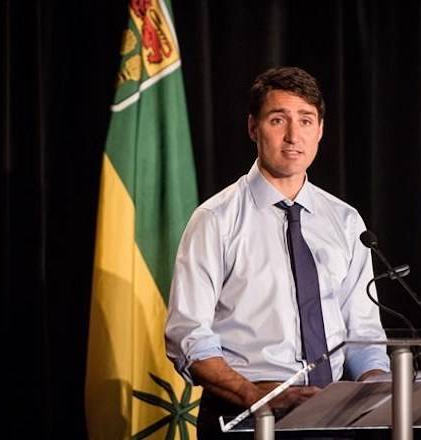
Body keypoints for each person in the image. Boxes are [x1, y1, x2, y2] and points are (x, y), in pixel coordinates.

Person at [165, 66, 390, 438]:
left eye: (305, 120)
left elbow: (362, 331)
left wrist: (377, 384)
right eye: (277, 120)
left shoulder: (346, 221)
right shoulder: (216, 219)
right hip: (243, 414)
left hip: (332, 414)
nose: (292, 136)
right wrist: (255, 397)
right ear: (253, 128)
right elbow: (187, 334)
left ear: (320, 129)